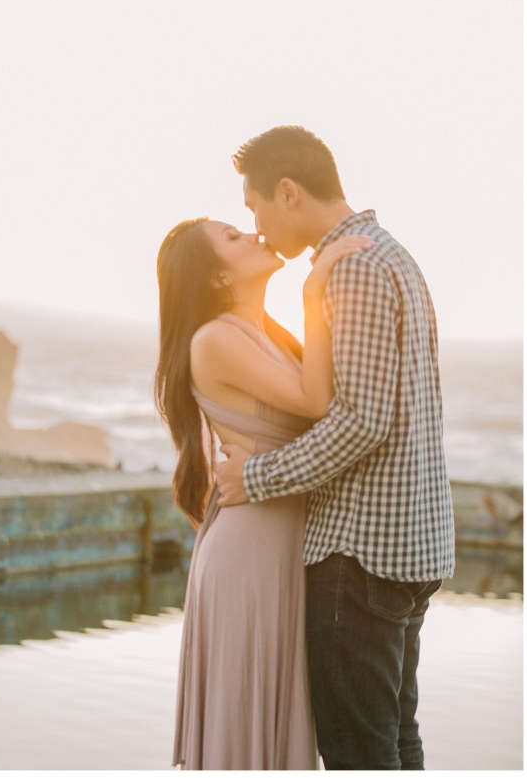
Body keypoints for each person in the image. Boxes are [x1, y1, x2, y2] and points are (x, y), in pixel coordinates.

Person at [215, 125, 455, 771]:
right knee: (395, 743)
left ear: (287, 192)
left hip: (360, 553)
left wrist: (255, 477)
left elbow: (362, 421)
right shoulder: (389, 253)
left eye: (255, 206)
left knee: (358, 754)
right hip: (410, 544)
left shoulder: (350, 267)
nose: (257, 226)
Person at [155, 211, 373, 769]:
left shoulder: (264, 334)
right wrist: (315, 288)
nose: (253, 233)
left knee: (276, 727)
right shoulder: (215, 340)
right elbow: (315, 402)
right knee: (249, 733)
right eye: (233, 236)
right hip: (250, 555)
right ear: (216, 279)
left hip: (279, 542)